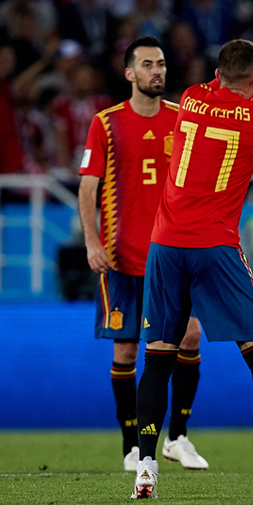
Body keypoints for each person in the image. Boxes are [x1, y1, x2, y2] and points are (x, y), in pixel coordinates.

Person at [131, 4, 253, 500]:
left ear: (217, 73)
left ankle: (146, 468)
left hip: (165, 246)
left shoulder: (193, 97)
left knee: (157, 358)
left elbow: (238, 72)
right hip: (215, 247)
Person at [78, 36, 208, 472]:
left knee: (189, 336)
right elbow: (88, 186)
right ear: (130, 73)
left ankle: (178, 438)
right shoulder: (106, 123)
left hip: (172, 255)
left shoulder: (182, 120)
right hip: (119, 258)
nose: (158, 71)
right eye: (149, 64)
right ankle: (132, 446)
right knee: (126, 353)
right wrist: (92, 241)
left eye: (162, 64)